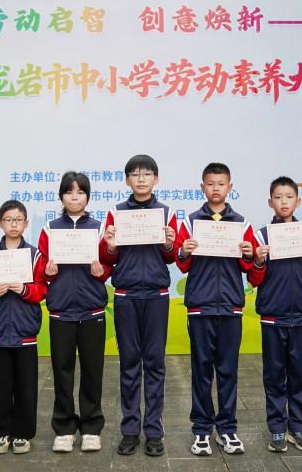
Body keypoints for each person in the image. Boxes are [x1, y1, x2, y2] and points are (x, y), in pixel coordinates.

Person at [174, 162, 257, 456]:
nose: (216, 189)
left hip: (231, 306)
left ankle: (227, 429)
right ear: (202, 187)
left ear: (230, 187)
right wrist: (184, 250)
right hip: (200, 306)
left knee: (228, 371)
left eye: (221, 184)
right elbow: (182, 263)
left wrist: (249, 254)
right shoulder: (191, 223)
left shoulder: (242, 224)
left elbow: (248, 266)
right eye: (210, 184)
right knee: (201, 371)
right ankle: (201, 430)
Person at [100, 154, 177, 457]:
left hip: (157, 294)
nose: (141, 179)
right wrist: (110, 246)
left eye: (147, 174)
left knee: (155, 364)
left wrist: (169, 243)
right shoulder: (116, 213)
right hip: (126, 295)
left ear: (156, 179)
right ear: (127, 180)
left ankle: (154, 431)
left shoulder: (166, 213)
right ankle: (130, 430)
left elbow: (171, 257)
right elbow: (108, 258)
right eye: (135, 174)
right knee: (130, 363)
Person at [247, 176, 302, 453]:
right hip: (272, 316)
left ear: (298, 201)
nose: (284, 202)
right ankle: (276, 429)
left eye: (289, 197)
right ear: (269, 202)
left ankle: (298, 427)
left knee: (299, 375)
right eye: (278, 197)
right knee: (274, 375)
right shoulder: (261, 236)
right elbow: (254, 279)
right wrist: (258, 260)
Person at [36, 172, 113, 453]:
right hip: (61, 311)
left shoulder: (99, 228)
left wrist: (101, 271)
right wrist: (48, 271)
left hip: (92, 310)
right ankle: (64, 427)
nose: (74, 197)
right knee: (62, 371)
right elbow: (40, 267)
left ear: (88, 197)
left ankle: (91, 427)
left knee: (93, 370)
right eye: (69, 192)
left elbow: (108, 264)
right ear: (61, 197)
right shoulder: (50, 229)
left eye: (80, 192)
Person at [0, 199, 46, 455]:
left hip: (26, 331)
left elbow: (42, 289)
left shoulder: (34, 254)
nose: (13, 224)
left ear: (26, 224)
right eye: (8, 220)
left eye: (18, 220)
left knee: (26, 386)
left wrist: (25, 289)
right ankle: (2, 432)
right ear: (0, 223)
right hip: (0, 331)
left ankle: (23, 433)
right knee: (0, 386)